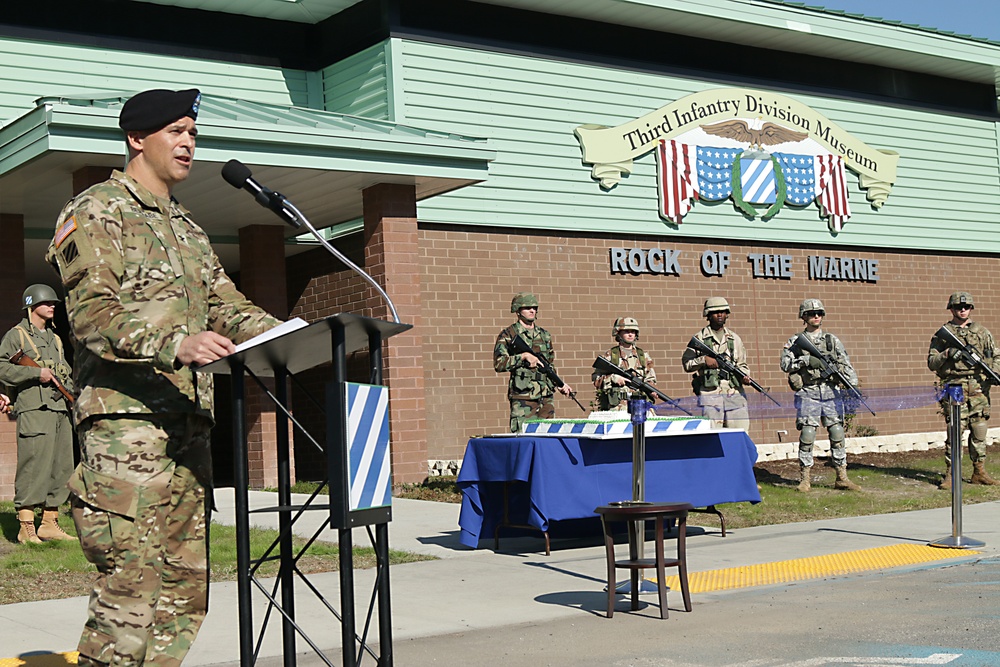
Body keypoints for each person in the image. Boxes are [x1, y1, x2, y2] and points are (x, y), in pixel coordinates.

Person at [44, 88, 282, 667]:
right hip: (129, 431)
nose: (188, 143)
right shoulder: (98, 209)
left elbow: (227, 306)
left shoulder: (188, 228)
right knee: (128, 597)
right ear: (136, 138)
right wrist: (176, 343)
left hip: (190, 429)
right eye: (175, 130)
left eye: (193, 133)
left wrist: (288, 333)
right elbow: (94, 316)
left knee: (182, 595)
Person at [0, 284, 76, 544]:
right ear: (32, 306)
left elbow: (63, 370)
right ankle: (26, 526)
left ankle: (49, 523)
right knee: (33, 465)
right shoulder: (17, 336)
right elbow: (2, 368)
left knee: (61, 465)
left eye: (53, 303)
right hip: (34, 409)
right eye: (47, 303)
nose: (52, 306)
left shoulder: (55, 338)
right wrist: (35, 373)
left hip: (58, 409)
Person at [779, 299, 862, 492]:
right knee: (808, 434)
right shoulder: (795, 341)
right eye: (811, 313)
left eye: (819, 313)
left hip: (830, 391)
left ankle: (842, 476)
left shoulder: (831, 340)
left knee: (837, 432)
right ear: (804, 317)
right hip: (808, 392)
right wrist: (806, 360)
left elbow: (845, 363)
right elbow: (785, 364)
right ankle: (805, 479)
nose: (816, 316)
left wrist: (852, 384)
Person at [927, 292, 1000, 488]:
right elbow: (932, 363)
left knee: (979, 429)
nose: (962, 309)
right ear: (951, 309)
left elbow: (996, 356)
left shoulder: (982, 332)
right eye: (958, 306)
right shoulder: (943, 334)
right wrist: (949, 353)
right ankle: (951, 474)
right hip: (955, 387)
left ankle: (979, 471)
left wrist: (994, 373)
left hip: (978, 388)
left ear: (971, 309)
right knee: (955, 431)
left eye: (966, 306)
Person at [494, 292, 572, 432]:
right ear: (517, 310)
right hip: (524, 397)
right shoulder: (509, 335)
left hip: (545, 396)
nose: (532, 311)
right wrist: (522, 356)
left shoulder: (544, 335)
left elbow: (549, 365)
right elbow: (499, 363)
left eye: (534, 308)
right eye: (527, 308)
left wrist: (559, 383)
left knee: (549, 438)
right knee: (524, 437)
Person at [681, 297, 753, 429]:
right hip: (711, 395)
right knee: (713, 436)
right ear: (708, 315)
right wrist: (703, 360)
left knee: (738, 435)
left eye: (723, 311)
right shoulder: (700, 338)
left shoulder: (734, 339)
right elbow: (687, 363)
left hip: (734, 394)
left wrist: (745, 376)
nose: (720, 315)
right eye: (715, 312)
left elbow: (742, 364)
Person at [593, 317, 657, 411]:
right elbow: (596, 380)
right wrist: (613, 378)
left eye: (633, 331)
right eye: (626, 331)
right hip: (618, 408)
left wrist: (651, 389)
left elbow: (651, 379)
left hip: (640, 407)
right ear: (618, 333)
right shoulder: (611, 355)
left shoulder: (643, 356)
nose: (630, 334)